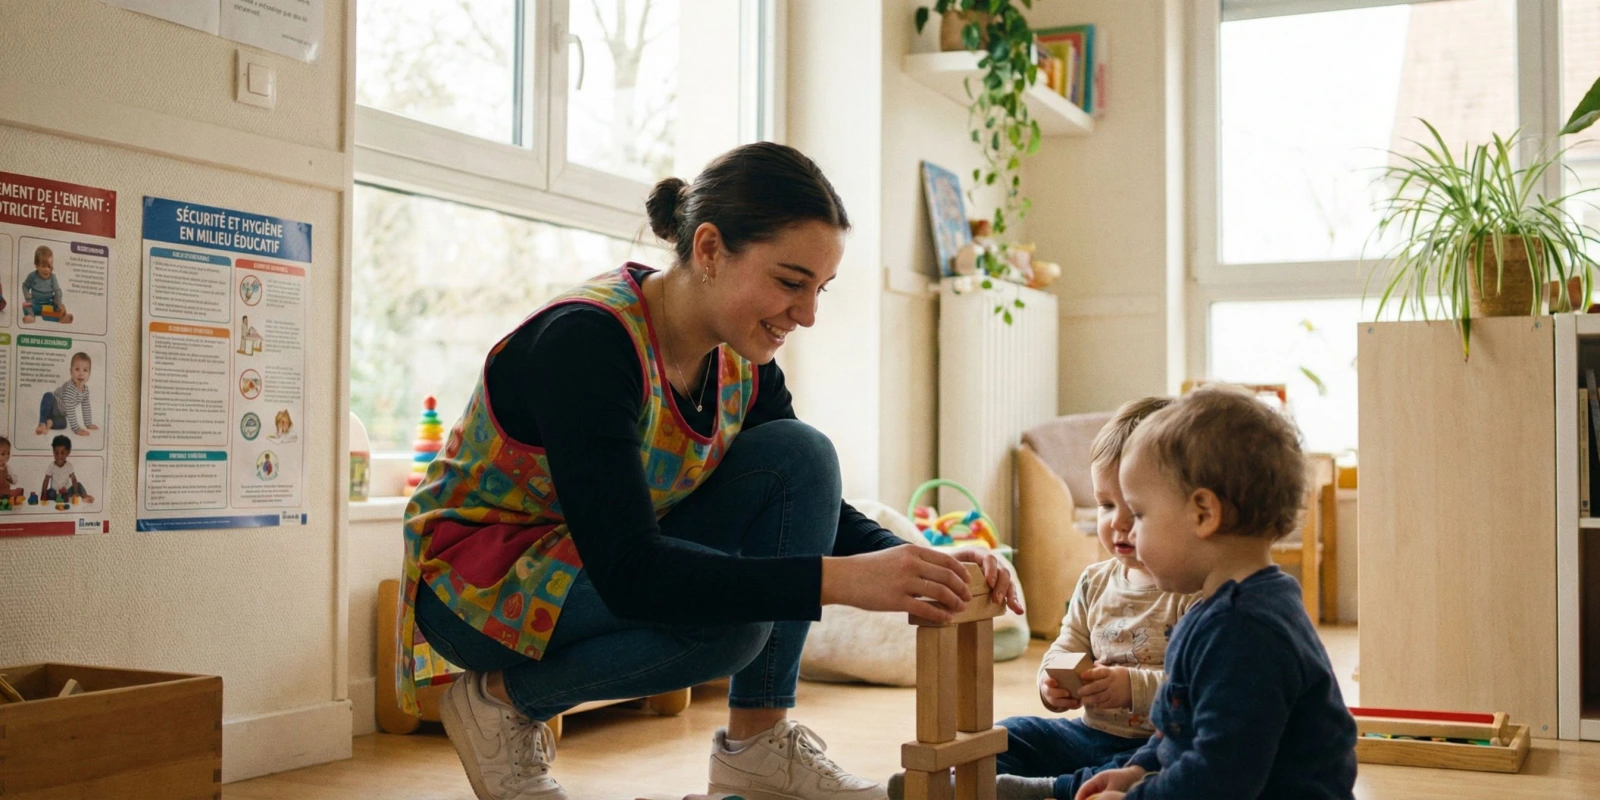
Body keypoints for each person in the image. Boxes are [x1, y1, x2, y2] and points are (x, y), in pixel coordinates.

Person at [397, 141, 1023, 800]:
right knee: (733, 624)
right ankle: (501, 700)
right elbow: (633, 574)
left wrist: (923, 560)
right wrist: (839, 582)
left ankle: (758, 746)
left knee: (802, 453)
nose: (807, 314)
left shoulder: (742, 362)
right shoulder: (587, 342)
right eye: (790, 282)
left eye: (820, 289)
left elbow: (809, 508)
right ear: (709, 250)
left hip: (589, 563)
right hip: (476, 585)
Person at [1075, 388, 1357, 800]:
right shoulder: (1225, 608)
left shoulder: (1244, 632)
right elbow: (1184, 727)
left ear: (1203, 514)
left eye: (1139, 514)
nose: (1130, 532)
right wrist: (1138, 768)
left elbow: (1219, 777)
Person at [983, 398, 1200, 800]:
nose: (1116, 522)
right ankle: (978, 786)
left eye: (1135, 511)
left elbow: (1197, 689)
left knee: (1156, 773)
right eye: (1105, 504)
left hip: (1154, 747)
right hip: (1088, 732)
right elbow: (1068, 644)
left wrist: (1131, 686)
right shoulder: (1095, 581)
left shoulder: (1191, 591)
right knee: (1008, 735)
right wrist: (1052, 681)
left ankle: (1050, 790)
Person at [37, 352, 96, 436]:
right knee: (48, 396)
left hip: (60, 413)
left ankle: (49, 422)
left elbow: (86, 406)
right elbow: (70, 408)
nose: (81, 373)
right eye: (77, 369)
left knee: (63, 424)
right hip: (54, 404)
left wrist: (88, 423)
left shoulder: (85, 390)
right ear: (71, 371)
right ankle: (42, 422)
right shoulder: (70, 388)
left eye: (85, 370)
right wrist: (76, 429)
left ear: (89, 373)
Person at [22, 245, 71, 324]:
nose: (46, 269)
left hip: (49, 303)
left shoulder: (53, 277)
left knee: (59, 307)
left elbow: (57, 291)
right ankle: (31, 316)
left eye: (49, 266)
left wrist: (58, 303)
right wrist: (27, 294)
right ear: (37, 266)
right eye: (43, 266)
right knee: (25, 305)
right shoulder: (32, 276)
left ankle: (60, 318)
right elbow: (25, 286)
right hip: (36, 303)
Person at [42, 435, 91, 503]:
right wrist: (43, 494)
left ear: (68, 452)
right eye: (56, 453)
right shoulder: (51, 466)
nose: (59, 456)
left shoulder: (69, 466)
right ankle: (61, 499)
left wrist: (76, 492)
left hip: (66, 492)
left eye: (62, 453)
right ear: (53, 452)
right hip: (54, 493)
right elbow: (46, 480)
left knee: (78, 484)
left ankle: (85, 497)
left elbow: (73, 480)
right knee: (50, 493)